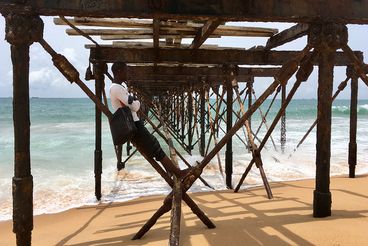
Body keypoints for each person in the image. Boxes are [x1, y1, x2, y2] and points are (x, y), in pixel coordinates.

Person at [109, 62, 189, 178]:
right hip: (133, 125)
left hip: (134, 123)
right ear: (119, 71)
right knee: (155, 148)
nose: (128, 73)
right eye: (126, 71)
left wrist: (134, 101)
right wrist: (137, 102)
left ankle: (171, 171)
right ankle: (178, 173)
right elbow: (135, 106)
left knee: (155, 146)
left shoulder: (118, 87)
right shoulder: (116, 88)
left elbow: (132, 104)